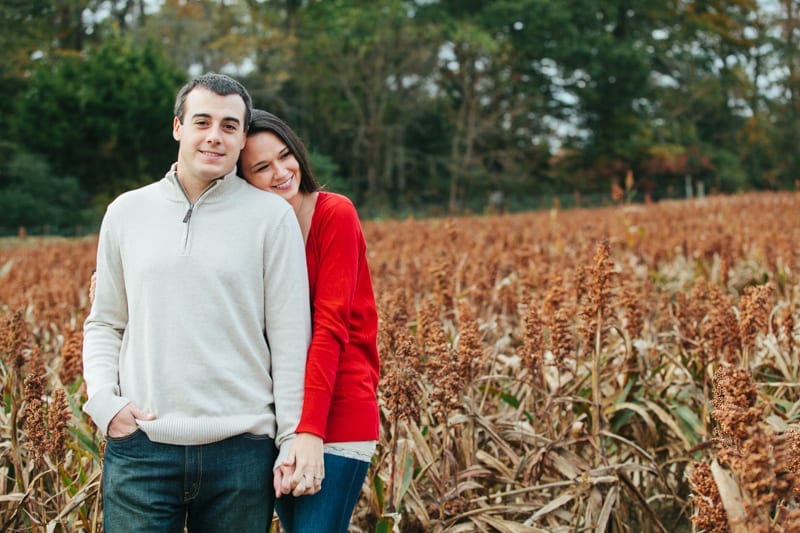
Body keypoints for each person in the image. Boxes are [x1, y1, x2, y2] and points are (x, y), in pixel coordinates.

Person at [82, 73, 318, 532]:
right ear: (178, 127)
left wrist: (290, 435)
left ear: (242, 137)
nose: (215, 136)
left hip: (242, 452)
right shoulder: (126, 213)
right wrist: (104, 404)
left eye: (230, 126)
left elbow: (291, 337)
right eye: (202, 121)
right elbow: (105, 322)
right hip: (142, 449)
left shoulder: (271, 217)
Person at [238, 109, 381, 533]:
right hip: (281, 415)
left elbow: (331, 327)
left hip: (336, 409)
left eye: (286, 156)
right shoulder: (254, 234)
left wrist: (309, 433)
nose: (282, 172)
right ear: (242, 181)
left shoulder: (334, 214)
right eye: (262, 167)